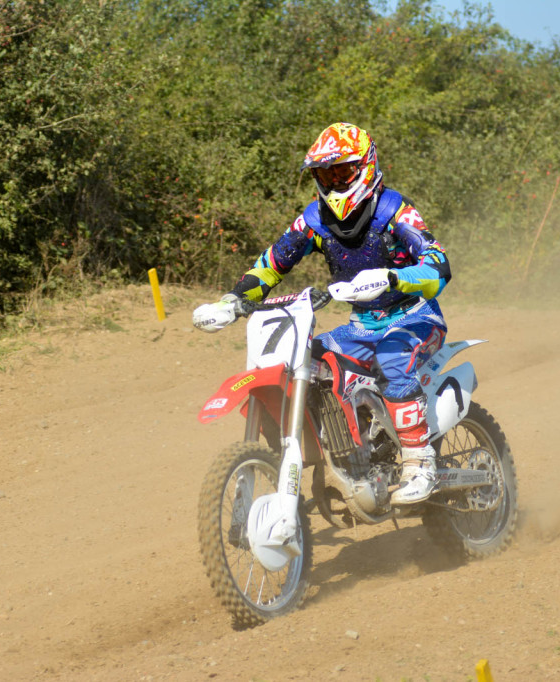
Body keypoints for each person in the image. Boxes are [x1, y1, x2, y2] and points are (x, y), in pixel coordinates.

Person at [193, 122, 451, 505]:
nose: (333, 182)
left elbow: (438, 265)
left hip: (415, 317)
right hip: (362, 326)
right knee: (305, 361)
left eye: (342, 172)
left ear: (365, 167)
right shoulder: (315, 220)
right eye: (325, 175)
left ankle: (420, 463)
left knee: (393, 358)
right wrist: (232, 301)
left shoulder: (394, 210)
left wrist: (393, 277)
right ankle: (342, 455)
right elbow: (272, 263)